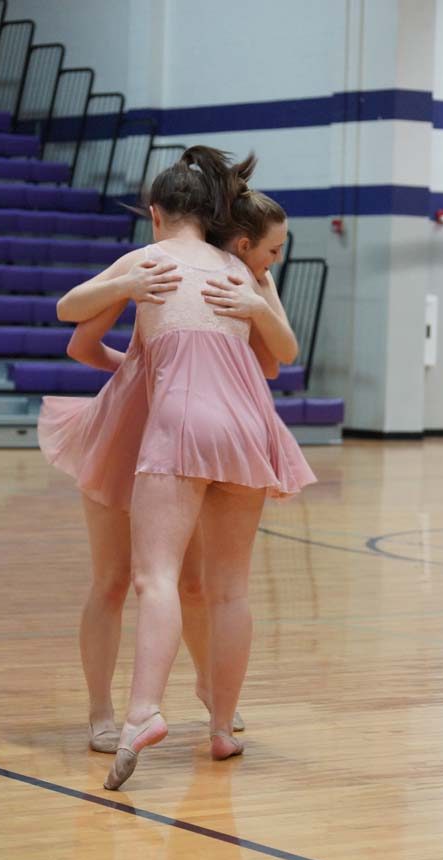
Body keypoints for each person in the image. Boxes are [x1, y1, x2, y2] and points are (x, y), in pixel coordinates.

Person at [44, 146, 315, 789]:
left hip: (176, 423)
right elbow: (277, 361)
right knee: (224, 589)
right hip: (237, 425)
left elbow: (69, 315)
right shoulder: (237, 268)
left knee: (149, 580)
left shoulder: (150, 259)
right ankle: (217, 724)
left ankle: (137, 711)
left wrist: (128, 288)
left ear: (156, 213)